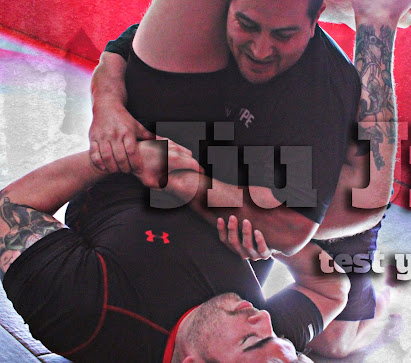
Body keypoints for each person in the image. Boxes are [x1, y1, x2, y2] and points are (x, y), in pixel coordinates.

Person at [84, 0, 411, 356]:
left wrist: (118, 116)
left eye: (283, 34)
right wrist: (108, 103)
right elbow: (126, 50)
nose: (260, 50)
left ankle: (363, 20)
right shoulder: (254, 336)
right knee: (334, 339)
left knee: (362, 206)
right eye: (248, 25)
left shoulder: (319, 89)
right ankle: (372, 19)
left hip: (264, 173)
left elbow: (291, 231)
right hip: (242, 177)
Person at [0, 139, 348, 362]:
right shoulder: (262, 336)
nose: (265, 318)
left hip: (158, 143)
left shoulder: (86, 310)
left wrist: (132, 155)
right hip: (251, 167)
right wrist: (275, 239)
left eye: (250, 340)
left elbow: (11, 207)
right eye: (281, 340)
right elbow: (331, 289)